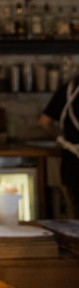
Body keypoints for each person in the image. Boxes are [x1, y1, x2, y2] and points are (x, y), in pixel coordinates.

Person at [39, 72, 79, 218]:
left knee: (76, 219)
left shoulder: (67, 89)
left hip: (72, 166)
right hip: (72, 165)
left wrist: (60, 139)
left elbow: (44, 122)